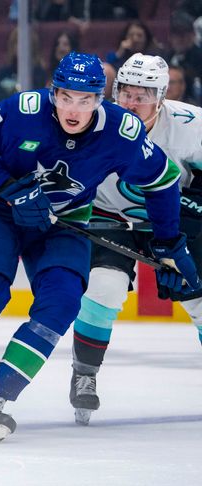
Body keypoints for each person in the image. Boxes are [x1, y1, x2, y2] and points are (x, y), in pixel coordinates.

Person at [0, 52, 200, 442]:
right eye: (66, 97)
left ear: (100, 99)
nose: (74, 109)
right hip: (0, 212)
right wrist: (10, 189)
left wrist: (168, 241)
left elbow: (163, 180)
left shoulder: (121, 131)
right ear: (53, 93)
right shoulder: (23, 110)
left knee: (61, 305)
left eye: (85, 99)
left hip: (66, 223)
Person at [70, 53, 202, 425]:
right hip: (109, 216)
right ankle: (84, 372)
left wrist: (190, 219)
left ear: (161, 96)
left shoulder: (190, 125)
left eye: (142, 94)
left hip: (173, 225)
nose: (131, 102)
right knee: (104, 288)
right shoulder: (93, 122)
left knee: (199, 298)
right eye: (125, 92)